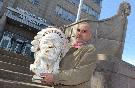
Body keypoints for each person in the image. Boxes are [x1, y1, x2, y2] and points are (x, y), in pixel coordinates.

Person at [40, 21, 97, 88]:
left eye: (84, 31)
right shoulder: (69, 47)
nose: (79, 33)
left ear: (90, 35)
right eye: (78, 30)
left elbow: (80, 74)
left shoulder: (90, 49)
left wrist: (55, 78)